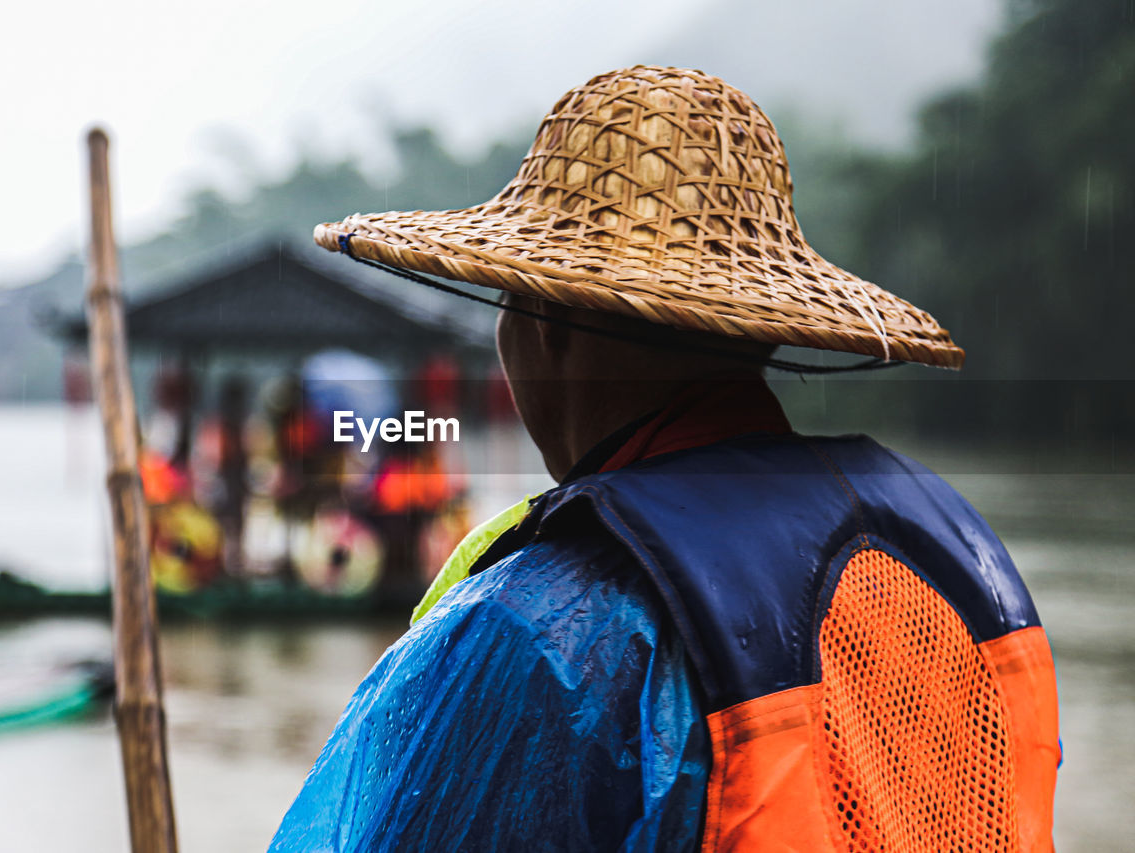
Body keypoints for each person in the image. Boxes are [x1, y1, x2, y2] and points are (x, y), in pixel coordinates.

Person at [269, 66, 1059, 851]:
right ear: (765, 333)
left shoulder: (540, 629)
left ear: (546, 322)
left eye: (507, 301)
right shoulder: (957, 568)